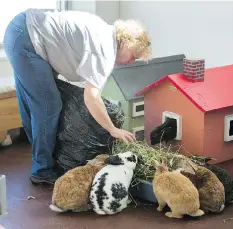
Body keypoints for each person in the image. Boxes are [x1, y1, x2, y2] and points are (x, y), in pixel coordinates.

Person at [3, 8, 152, 185]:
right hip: (27, 39)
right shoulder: (104, 50)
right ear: (126, 43)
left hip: (21, 29)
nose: (131, 61)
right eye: (133, 56)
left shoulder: (104, 32)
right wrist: (112, 129)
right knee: (49, 105)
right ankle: (42, 169)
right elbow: (91, 97)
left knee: (33, 100)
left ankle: (38, 156)